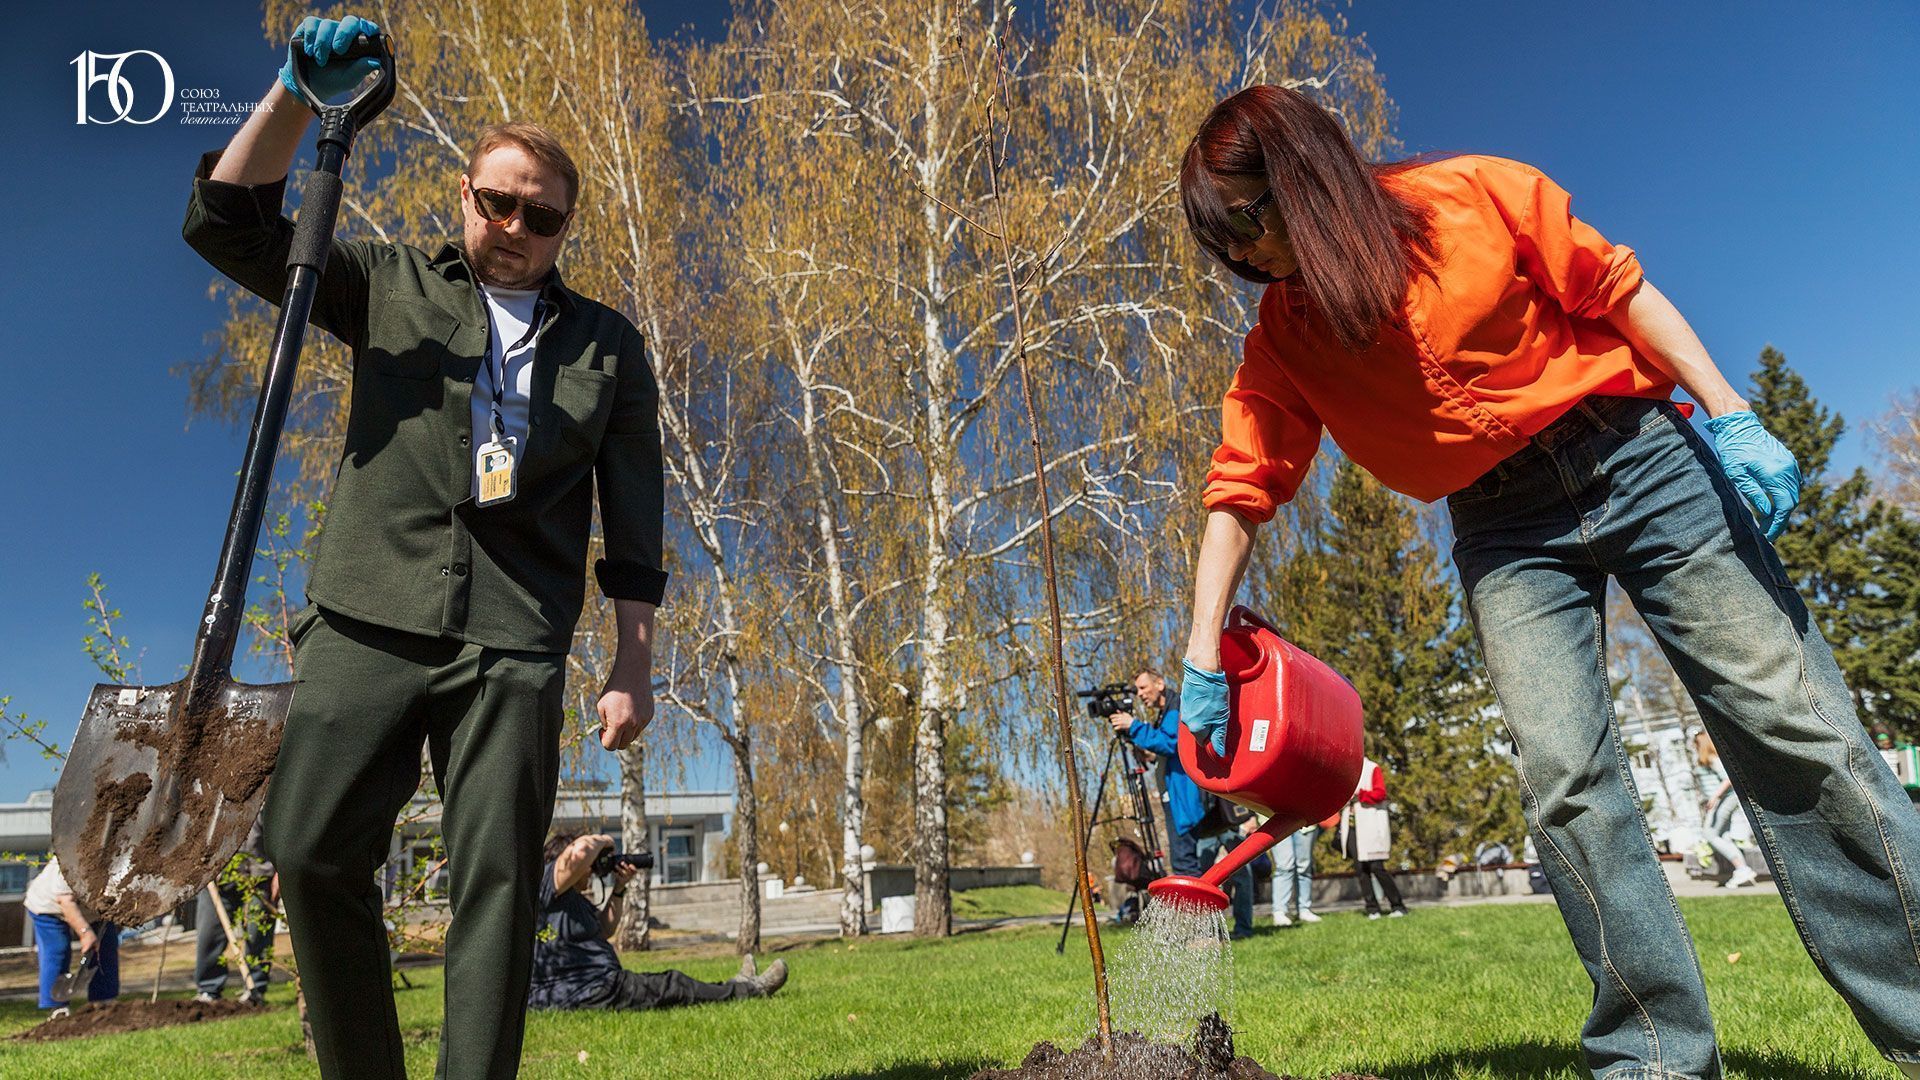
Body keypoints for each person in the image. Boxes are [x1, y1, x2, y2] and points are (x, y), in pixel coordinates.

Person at [1173, 82, 1920, 1079]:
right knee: (1566, 783)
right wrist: (1201, 654)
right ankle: (1652, 1059)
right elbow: (1242, 486)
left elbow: (1618, 290)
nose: (1240, 256)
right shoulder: (1286, 336)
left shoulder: (1472, 193)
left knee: (1792, 721)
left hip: (1637, 459)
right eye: (1221, 242)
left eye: (1244, 222)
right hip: (1503, 530)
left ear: (1302, 176)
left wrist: (1731, 412)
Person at [183, 16, 666, 1079]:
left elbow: (636, 516)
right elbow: (225, 225)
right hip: (366, 612)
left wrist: (632, 663)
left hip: (513, 637)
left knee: (498, 882)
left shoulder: (608, 347)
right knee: (308, 848)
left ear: (564, 228)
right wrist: (295, 96)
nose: (516, 226)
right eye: (497, 202)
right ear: (465, 196)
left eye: (542, 216)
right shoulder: (387, 281)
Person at [530, 833, 786, 1010]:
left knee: (667, 984)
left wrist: (619, 888)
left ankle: (737, 985)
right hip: (584, 990)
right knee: (673, 984)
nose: (591, 869)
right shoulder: (544, 886)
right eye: (589, 865)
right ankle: (752, 990)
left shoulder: (571, 901)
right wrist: (607, 841)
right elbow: (579, 852)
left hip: (596, 985)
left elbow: (605, 929)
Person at [1109, 668, 1256, 938]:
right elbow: (1173, 751)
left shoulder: (1177, 708)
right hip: (1181, 802)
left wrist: (1133, 726)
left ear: (1160, 684)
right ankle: (1210, 932)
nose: (1140, 694)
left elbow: (1172, 743)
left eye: (1143, 688)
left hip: (1187, 805)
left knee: (1189, 869)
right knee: (1195, 868)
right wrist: (1149, 754)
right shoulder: (1167, 712)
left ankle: (1206, 935)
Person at [194, 813, 277, 1004]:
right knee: (208, 934)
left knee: (258, 934)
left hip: (261, 873)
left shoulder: (267, 795)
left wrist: (279, 872)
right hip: (218, 874)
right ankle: (208, 990)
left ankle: (255, 989)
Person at [25, 856, 118, 1013]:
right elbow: (65, 901)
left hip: (94, 912)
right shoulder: (70, 859)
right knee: (57, 949)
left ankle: (104, 1002)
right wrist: (85, 933)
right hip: (49, 906)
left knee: (105, 949)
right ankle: (57, 1008)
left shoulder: (119, 860)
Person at [1338, 757, 1406, 919]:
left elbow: (1380, 793)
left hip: (1370, 825)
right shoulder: (1345, 770)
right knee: (1361, 869)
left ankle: (1397, 905)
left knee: (1377, 867)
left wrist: (1360, 794)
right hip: (1352, 827)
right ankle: (1372, 908)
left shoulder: (1371, 768)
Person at [1690, 732, 1758, 889]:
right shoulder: (1707, 761)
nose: (1694, 746)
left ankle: (1743, 869)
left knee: (1709, 834)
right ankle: (1741, 870)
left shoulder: (1713, 759)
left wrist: (1715, 797)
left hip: (1725, 799)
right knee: (1722, 835)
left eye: (1696, 743)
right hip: (1721, 800)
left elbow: (1728, 778)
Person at [1268, 816, 1325, 927]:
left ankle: (1304, 909)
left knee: (1304, 867)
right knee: (1284, 866)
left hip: (1306, 821)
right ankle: (1280, 911)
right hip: (1276, 821)